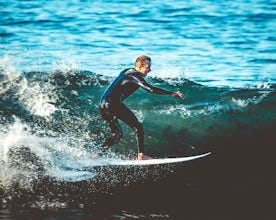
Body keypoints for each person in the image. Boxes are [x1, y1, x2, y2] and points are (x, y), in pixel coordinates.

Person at [98, 55, 184, 160]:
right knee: (138, 126)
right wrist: (171, 93)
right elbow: (151, 89)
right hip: (113, 103)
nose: (150, 70)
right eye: (147, 67)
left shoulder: (127, 71)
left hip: (103, 104)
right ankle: (141, 155)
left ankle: (97, 155)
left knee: (117, 134)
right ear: (139, 67)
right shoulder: (135, 76)